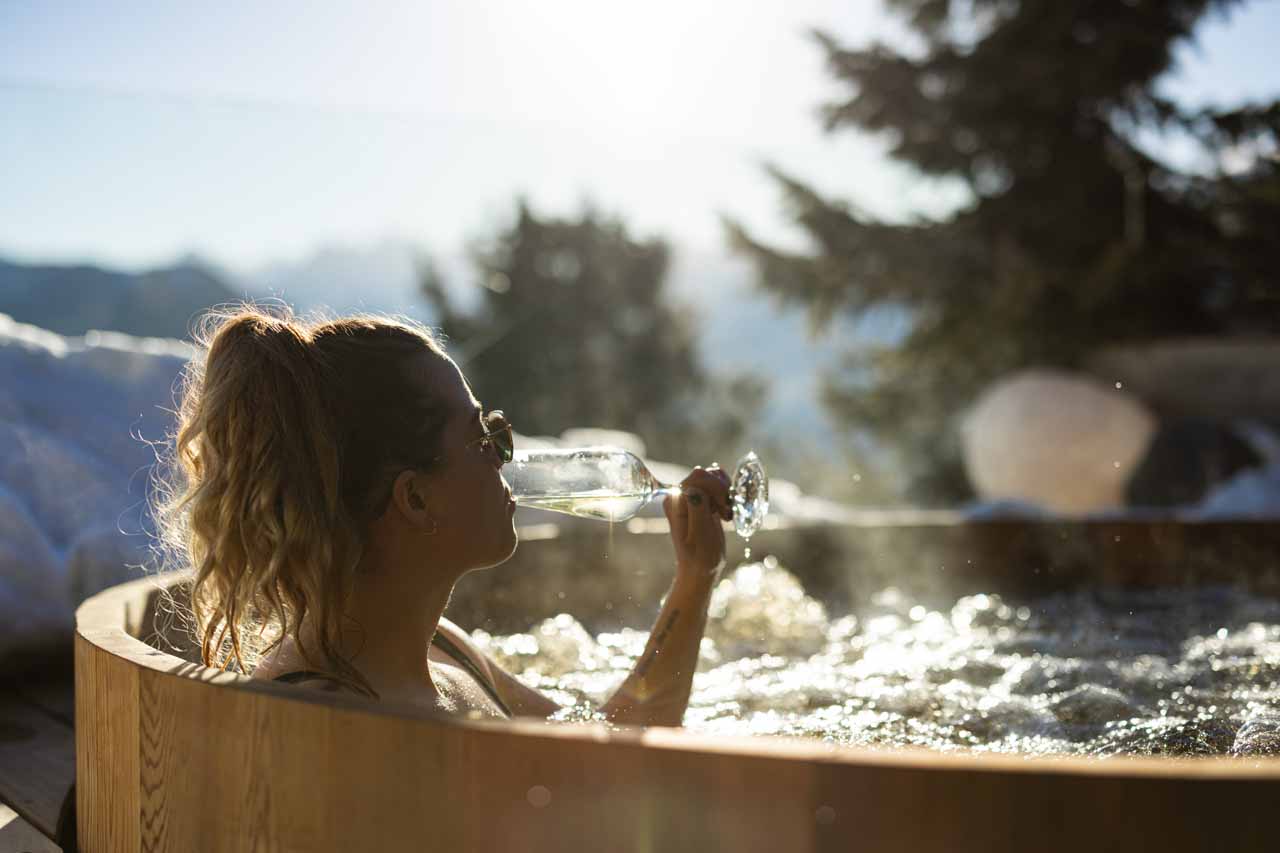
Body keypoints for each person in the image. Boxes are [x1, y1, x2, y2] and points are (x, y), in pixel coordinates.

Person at [155, 304, 732, 726]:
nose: (507, 454)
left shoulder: (441, 650)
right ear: (415, 499)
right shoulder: (330, 722)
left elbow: (611, 743)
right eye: (484, 438)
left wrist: (695, 577)